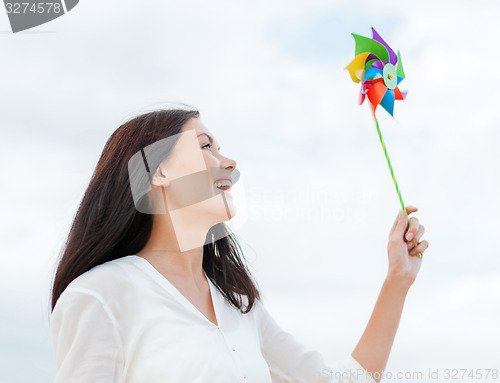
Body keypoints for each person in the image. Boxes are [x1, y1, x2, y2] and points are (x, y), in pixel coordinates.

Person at [49, 106, 429, 383]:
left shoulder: (240, 307)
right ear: (158, 171)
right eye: (205, 147)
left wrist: (398, 280)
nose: (228, 162)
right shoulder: (100, 295)